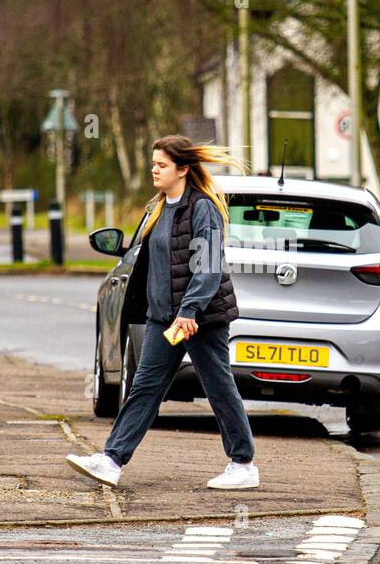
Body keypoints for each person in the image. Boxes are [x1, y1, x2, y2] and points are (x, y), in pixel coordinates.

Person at [66, 135, 259, 490]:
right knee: (145, 387)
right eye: (153, 163)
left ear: (183, 169)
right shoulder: (158, 206)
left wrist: (190, 310)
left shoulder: (203, 208)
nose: (154, 169)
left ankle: (244, 463)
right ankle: (112, 460)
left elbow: (209, 266)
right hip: (163, 318)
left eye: (162, 165)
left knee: (218, 386)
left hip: (199, 319)